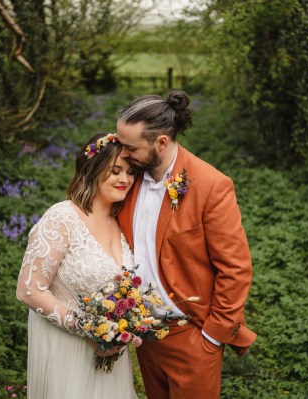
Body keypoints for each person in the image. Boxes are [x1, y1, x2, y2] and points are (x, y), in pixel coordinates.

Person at [116, 91, 257, 399]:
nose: (123, 155)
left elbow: (236, 268)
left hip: (191, 335)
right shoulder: (128, 178)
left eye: (130, 147)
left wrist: (211, 337)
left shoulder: (211, 185)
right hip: (144, 334)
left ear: (161, 142)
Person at [16, 132, 138, 399]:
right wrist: (89, 330)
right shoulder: (62, 218)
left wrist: (126, 327)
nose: (125, 179)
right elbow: (29, 290)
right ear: (93, 169)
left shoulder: (122, 223)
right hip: (67, 350)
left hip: (111, 355)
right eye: (116, 171)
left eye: (130, 172)